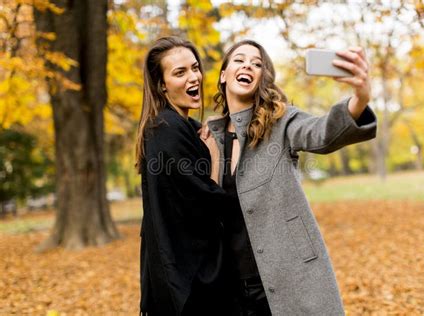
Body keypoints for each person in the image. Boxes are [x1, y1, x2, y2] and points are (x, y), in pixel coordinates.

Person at [201, 40, 377, 315]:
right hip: (231, 287)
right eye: (239, 60)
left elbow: (323, 133)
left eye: (257, 63)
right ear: (223, 75)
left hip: (289, 277)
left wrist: (360, 99)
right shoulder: (209, 137)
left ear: (261, 79)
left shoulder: (280, 122)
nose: (248, 65)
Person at [135, 36, 232, 316]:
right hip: (187, 283)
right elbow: (206, 205)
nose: (194, 77)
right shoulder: (166, 130)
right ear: (162, 84)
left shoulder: (184, 125)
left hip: (186, 274)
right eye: (180, 72)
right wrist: (215, 159)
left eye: (194, 68)